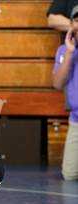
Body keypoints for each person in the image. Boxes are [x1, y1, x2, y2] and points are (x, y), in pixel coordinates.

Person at [52, 6, 78, 180]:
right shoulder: (63, 50)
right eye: (76, 19)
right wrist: (69, 52)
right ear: (71, 24)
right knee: (69, 175)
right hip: (76, 120)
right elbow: (57, 83)